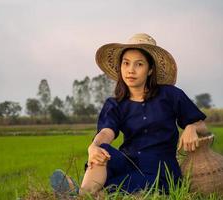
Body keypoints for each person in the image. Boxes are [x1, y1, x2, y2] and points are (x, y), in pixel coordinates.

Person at [50, 33, 210, 197]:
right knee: (102, 150)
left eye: (139, 64)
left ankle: (82, 194)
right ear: (121, 67)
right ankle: (84, 194)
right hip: (128, 163)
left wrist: (191, 126)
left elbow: (202, 125)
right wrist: (93, 146)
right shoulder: (116, 104)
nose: (130, 70)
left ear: (150, 70)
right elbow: (106, 132)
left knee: (110, 190)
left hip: (160, 172)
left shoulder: (171, 95)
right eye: (126, 63)